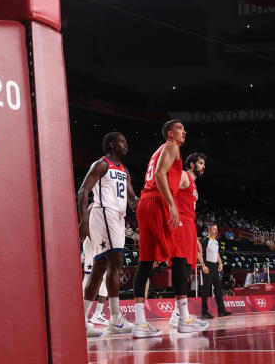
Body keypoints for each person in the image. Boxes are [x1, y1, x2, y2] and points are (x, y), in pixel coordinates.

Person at [132, 120, 206, 338]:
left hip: (145, 202)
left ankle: (140, 323)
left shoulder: (158, 151)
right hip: (157, 202)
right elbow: (159, 176)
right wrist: (172, 204)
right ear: (170, 133)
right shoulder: (171, 146)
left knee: (145, 262)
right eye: (181, 128)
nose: (185, 131)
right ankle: (182, 317)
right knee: (179, 258)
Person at [77, 132, 138, 337]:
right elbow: (83, 191)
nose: (126, 145)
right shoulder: (101, 164)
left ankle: (81, 320)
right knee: (116, 262)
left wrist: (145, 205)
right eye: (123, 141)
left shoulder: (124, 170)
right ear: (112, 144)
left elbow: (131, 198)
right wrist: (83, 223)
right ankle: (115, 319)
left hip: (117, 217)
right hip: (104, 212)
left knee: (100, 267)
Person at [170, 153, 210, 326]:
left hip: (189, 226)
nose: (203, 166)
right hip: (179, 222)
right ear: (192, 164)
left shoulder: (194, 186)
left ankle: (177, 313)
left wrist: (195, 239)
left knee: (187, 270)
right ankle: (180, 315)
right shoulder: (184, 176)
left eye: (204, 164)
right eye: (200, 163)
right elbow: (170, 193)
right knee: (181, 268)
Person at [199, 223, 231, 318]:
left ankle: (221, 311)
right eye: (213, 229)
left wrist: (220, 263)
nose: (215, 231)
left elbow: (216, 254)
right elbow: (198, 253)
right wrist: (203, 266)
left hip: (214, 267)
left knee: (218, 289)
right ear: (209, 231)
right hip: (207, 266)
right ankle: (204, 312)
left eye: (216, 229)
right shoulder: (205, 240)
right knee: (206, 290)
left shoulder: (216, 241)